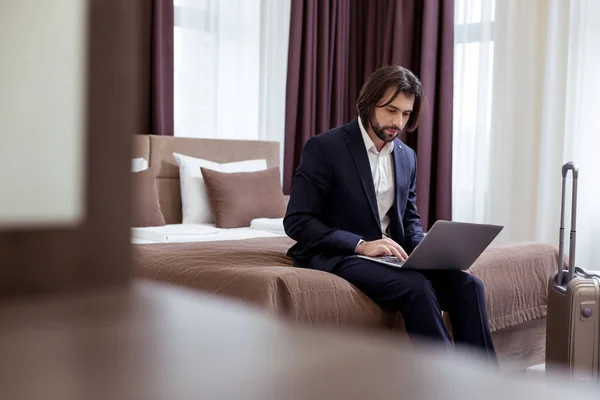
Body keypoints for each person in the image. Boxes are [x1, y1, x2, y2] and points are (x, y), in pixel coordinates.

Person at [283, 65, 497, 364]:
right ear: (369, 103)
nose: (398, 122)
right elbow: (297, 221)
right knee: (417, 287)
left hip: (389, 255)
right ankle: (444, 385)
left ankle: (483, 384)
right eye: (390, 110)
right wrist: (360, 244)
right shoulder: (325, 147)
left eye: (406, 114)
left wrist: (427, 248)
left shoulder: (406, 156)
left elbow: (408, 220)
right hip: (341, 253)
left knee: (469, 286)